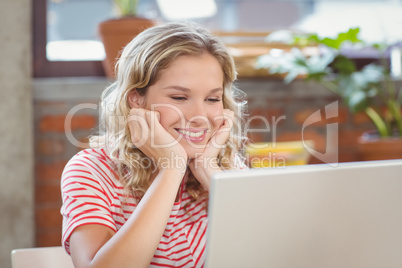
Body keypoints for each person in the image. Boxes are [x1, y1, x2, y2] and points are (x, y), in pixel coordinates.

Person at [60, 21, 248, 268]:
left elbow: (274, 253)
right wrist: (172, 168)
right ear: (136, 99)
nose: (200, 116)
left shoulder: (224, 165)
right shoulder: (91, 171)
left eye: (213, 98)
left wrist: (212, 176)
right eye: (179, 97)